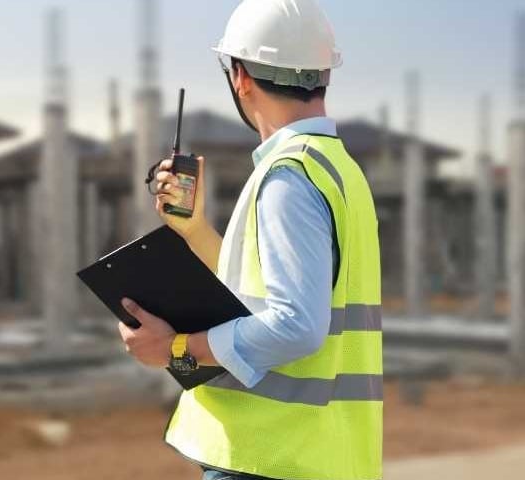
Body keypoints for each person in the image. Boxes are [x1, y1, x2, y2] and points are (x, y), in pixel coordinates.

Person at [115, 1, 383, 479]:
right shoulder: (336, 170)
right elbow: (271, 294)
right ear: (323, 74)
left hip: (270, 458)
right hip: (320, 456)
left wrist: (177, 349)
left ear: (239, 76)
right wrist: (195, 231)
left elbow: (298, 324)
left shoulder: (288, 178)